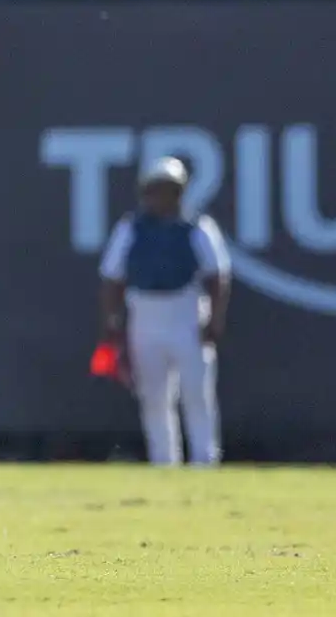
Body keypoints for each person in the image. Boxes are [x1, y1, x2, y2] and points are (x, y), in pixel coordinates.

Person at [97, 157, 231, 466]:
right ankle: (163, 462)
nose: (162, 197)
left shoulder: (198, 228)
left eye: (170, 190)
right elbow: (111, 278)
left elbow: (218, 276)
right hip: (145, 317)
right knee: (153, 397)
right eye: (156, 190)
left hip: (186, 314)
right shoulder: (130, 229)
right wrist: (111, 321)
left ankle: (204, 460)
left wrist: (215, 318)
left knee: (197, 393)